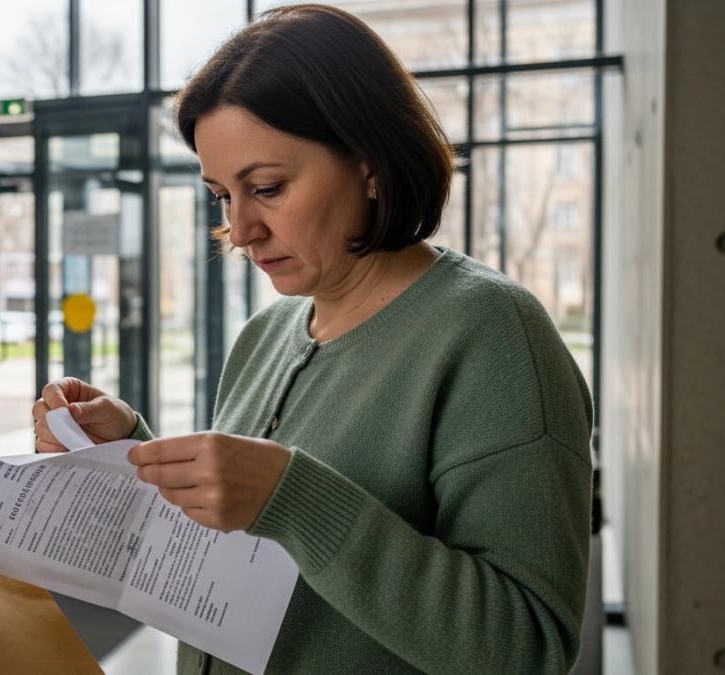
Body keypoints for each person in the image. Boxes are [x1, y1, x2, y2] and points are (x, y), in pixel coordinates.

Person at [32, 5, 593, 674]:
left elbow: (528, 648)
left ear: (370, 164)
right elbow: (242, 545)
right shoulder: (264, 335)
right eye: (221, 195)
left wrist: (295, 500)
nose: (240, 230)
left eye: (266, 188)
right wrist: (133, 451)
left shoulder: (493, 335)